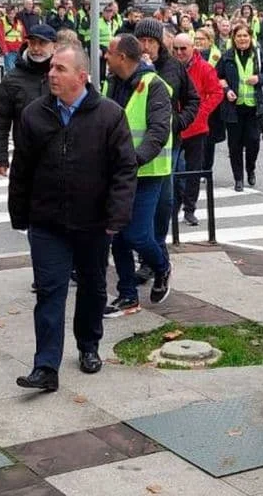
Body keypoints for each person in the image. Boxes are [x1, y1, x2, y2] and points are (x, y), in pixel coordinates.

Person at [9, 44, 137, 391]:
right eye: (51, 68)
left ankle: (88, 345)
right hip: (48, 221)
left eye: (60, 69)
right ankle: (46, 366)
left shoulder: (109, 115)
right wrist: (19, 213)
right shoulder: (35, 114)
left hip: (93, 222)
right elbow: (21, 168)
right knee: (50, 291)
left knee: (93, 289)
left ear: (82, 77)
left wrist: (116, 215)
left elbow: (124, 170)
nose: (51, 73)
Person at [101, 34, 173, 317]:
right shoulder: (111, 83)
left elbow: (158, 132)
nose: (105, 56)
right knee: (116, 234)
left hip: (149, 171)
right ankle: (127, 295)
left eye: (109, 52)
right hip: (118, 171)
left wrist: (135, 159)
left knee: (137, 234)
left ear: (123, 57)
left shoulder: (155, 86)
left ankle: (161, 266)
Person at [132, 18, 200, 284]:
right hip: (139, 145)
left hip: (168, 145)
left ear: (160, 42)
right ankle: (147, 259)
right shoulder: (130, 67)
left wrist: (180, 122)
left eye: (151, 41)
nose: (146, 46)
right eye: (142, 41)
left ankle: (156, 250)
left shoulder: (173, 66)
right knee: (141, 203)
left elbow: (192, 99)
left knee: (164, 201)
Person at [0, 24, 57, 178]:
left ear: (55, 46)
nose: (36, 48)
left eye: (42, 43)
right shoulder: (13, 79)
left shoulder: (63, 74)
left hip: (61, 159)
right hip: (26, 158)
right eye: (32, 43)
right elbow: (0, 120)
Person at [172, 33, 223, 226]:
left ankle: (189, 209)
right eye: (175, 48)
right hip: (174, 127)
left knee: (193, 171)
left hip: (196, 128)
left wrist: (201, 113)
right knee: (173, 171)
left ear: (193, 48)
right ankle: (173, 208)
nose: (179, 52)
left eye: (183, 48)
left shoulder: (204, 68)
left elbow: (216, 92)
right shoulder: (169, 67)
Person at [217, 23, 263, 191]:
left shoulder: (258, 55)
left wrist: (259, 78)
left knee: (253, 142)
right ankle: (238, 179)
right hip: (234, 108)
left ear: (251, 37)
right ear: (234, 39)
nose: (242, 39)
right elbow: (218, 76)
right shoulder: (227, 56)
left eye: (245, 36)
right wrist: (227, 90)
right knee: (234, 145)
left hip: (254, 107)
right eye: (239, 36)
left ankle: (251, 168)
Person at [0, 6, 26, 73]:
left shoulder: (19, 22)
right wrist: (5, 50)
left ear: (15, 13)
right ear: (7, 14)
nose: (11, 15)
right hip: (9, 50)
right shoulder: (2, 23)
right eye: (9, 13)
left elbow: (24, 35)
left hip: (19, 49)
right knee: (10, 70)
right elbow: (0, 37)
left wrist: (25, 48)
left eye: (12, 13)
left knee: (18, 70)